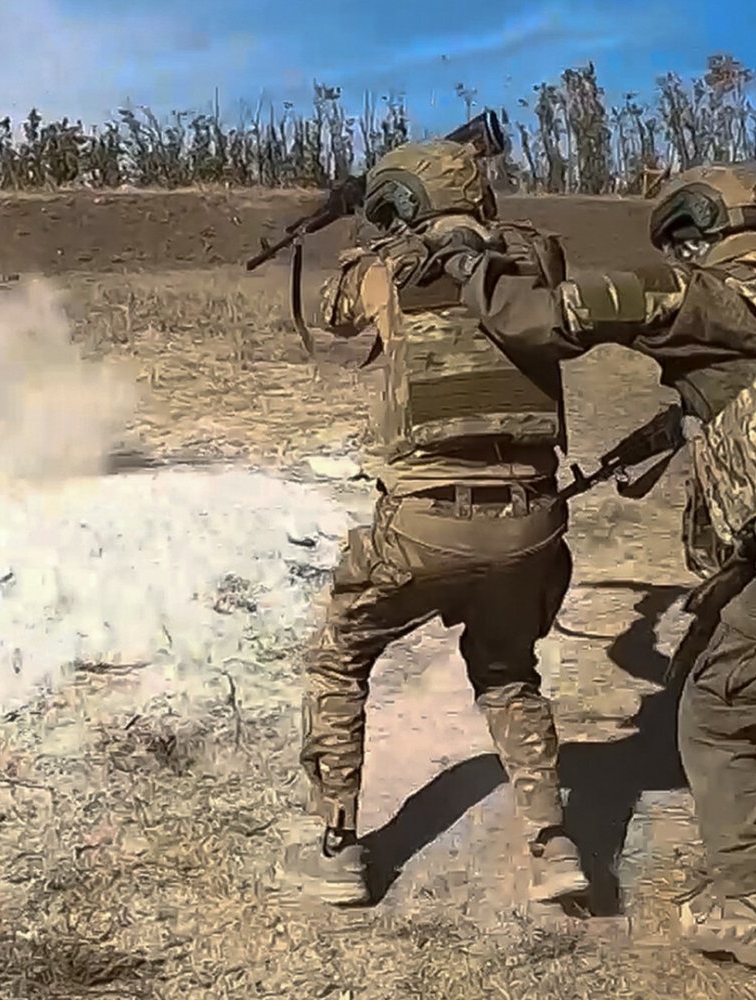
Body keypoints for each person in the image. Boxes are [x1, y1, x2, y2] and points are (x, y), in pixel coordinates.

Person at [436, 164, 756, 999]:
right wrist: (668, 428)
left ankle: (745, 905)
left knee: (716, 715)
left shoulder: (691, 294)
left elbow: (530, 318)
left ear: (689, 235)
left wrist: (464, 252)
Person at [286, 138, 590, 908]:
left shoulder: (387, 269)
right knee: (508, 672)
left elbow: (333, 311)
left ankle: (336, 845)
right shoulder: (532, 262)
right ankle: (553, 843)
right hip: (533, 521)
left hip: (425, 523)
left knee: (339, 657)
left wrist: (372, 225)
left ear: (401, 202)